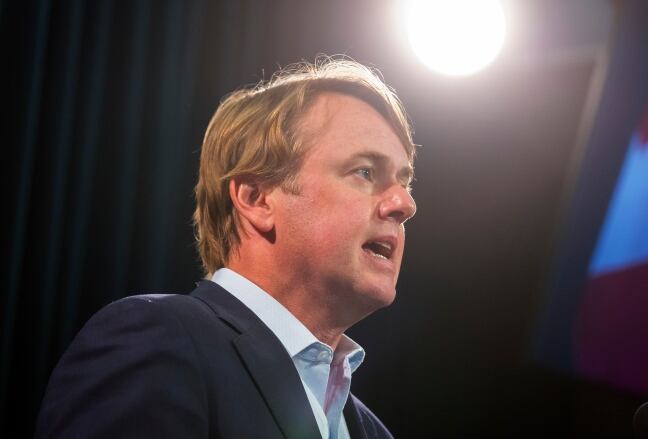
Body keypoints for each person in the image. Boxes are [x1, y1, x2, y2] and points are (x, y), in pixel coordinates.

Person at [35, 58, 417, 439]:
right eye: (365, 172)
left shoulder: (373, 432)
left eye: (404, 182)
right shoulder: (157, 341)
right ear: (257, 199)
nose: (404, 204)